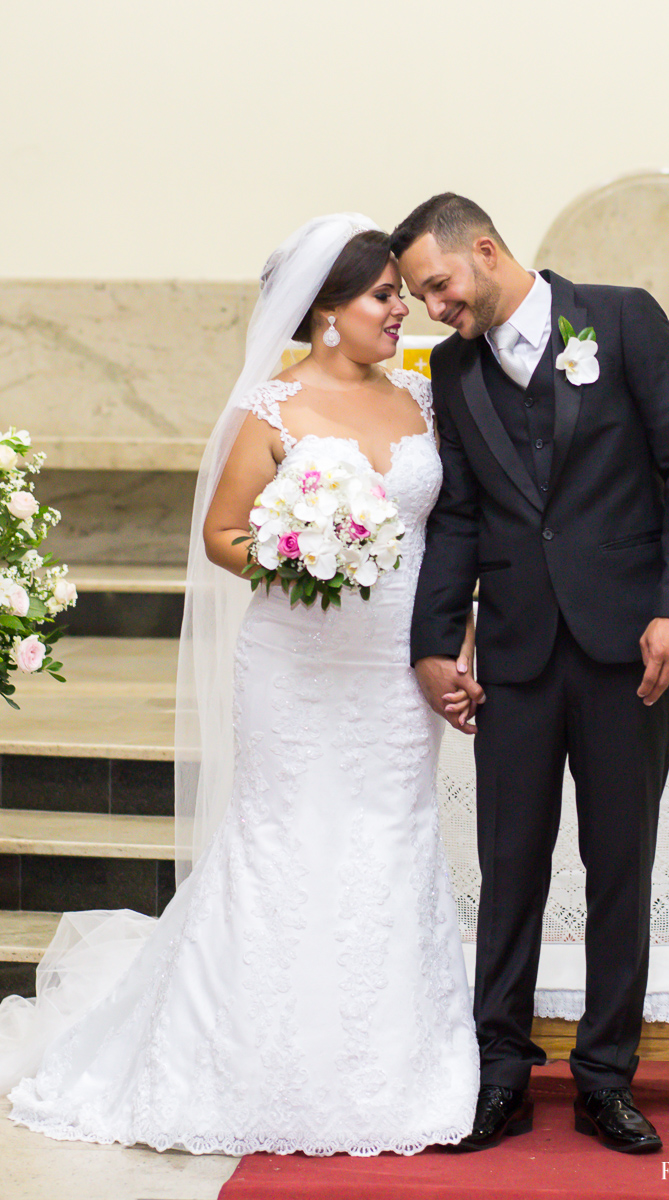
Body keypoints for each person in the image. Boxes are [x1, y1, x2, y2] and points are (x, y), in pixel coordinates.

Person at [1, 214, 479, 1155]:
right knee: (283, 844)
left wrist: (454, 638)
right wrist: (305, 549)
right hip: (297, 669)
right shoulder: (271, 408)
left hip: (393, 671)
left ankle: (394, 1068)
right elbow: (223, 536)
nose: (403, 313)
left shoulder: (422, 400)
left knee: (391, 837)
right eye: (385, 296)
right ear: (327, 313)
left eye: (400, 296)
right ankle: (249, 1061)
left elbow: (450, 536)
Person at [390, 194, 669, 1154]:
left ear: (484, 251)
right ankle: (499, 1072)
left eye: (440, 286)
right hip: (520, 654)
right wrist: (433, 643)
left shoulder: (621, 319)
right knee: (510, 868)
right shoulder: (451, 371)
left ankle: (606, 1078)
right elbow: (456, 518)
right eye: (420, 295)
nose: (436, 309)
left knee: (619, 868)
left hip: (631, 651)